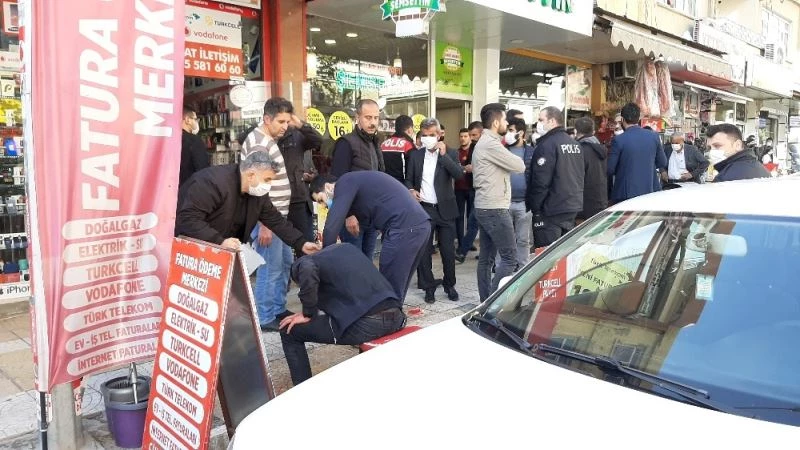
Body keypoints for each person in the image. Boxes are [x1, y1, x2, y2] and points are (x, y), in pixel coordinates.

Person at [279, 243, 405, 386]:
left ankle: (302, 390)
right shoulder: (345, 248)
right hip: (396, 317)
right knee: (355, 315)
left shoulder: (305, 262)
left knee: (288, 330)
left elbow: (307, 269)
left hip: (367, 324)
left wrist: (307, 313)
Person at [242, 98, 315, 332]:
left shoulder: (268, 140)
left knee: (283, 264)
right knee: (270, 268)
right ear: (267, 119)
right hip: (268, 222)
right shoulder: (259, 144)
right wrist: (264, 224)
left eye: (287, 121)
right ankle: (265, 316)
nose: (285, 126)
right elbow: (256, 188)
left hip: (278, 220)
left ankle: (277, 308)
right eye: (281, 122)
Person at [311, 171, 430, 301]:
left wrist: (325, 256)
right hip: (419, 226)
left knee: (388, 290)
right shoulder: (357, 182)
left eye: (321, 200)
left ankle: (390, 312)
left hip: (404, 229)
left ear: (328, 187)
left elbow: (333, 223)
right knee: (395, 289)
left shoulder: (344, 182)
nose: (323, 206)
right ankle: (394, 311)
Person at [175, 150, 319, 256]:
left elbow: (275, 220)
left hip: (222, 253)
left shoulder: (257, 194)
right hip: (192, 251)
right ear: (250, 175)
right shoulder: (212, 183)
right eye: (267, 179)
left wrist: (301, 243)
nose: (268, 185)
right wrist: (219, 241)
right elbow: (189, 218)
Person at [406, 118, 464, 303]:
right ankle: (428, 287)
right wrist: (411, 190)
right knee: (424, 251)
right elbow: (408, 179)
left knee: (448, 251)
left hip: (446, 209)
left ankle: (449, 285)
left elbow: (459, 174)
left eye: (432, 135)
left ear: (439, 135)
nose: (428, 138)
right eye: (424, 135)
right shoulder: (415, 155)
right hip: (425, 209)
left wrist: (444, 155)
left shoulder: (451, 153)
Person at [472, 103, 525, 301]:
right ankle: (492, 302)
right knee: (510, 258)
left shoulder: (487, 142)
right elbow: (519, 165)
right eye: (504, 120)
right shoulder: (491, 144)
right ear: (495, 123)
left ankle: (484, 301)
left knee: (486, 259)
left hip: (485, 206)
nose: (506, 124)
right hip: (494, 208)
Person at [330, 99, 384, 259]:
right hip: (353, 218)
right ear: (357, 117)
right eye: (368, 117)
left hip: (371, 217)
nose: (372, 122)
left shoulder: (375, 143)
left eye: (376, 118)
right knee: (354, 264)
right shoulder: (346, 143)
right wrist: (348, 215)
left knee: (367, 263)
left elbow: (380, 179)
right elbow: (338, 182)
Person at [526, 106, 584, 248]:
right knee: (564, 252)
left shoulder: (547, 145)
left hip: (551, 209)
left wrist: (535, 206)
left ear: (552, 121)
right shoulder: (575, 144)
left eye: (541, 120)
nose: (538, 124)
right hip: (571, 205)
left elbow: (540, 181)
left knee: (547, 254)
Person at [607, 103, 667, 203]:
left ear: (622, 119)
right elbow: (662, 162)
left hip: (626, 193)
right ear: (639, 118)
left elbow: (610, 169)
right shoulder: (654, 136)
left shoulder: (619, 140)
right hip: (650, 189)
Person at [503, 117, 534, 269]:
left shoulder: (531, 152)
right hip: (505, 202)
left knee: (523, 239)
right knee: (505, 240)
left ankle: (523, 268)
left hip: (524, 203)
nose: (507, 134)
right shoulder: (503, 151)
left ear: (521, 133)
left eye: (511, 131)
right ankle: (505, 268)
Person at [455, 121, 483, 262]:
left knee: (475, 221)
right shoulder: (472, 147)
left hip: (484, 190)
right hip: (471, 187)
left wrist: (475, 168)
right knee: (472, 221)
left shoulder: (487, 147)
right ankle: (463, 250)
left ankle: (463, 251)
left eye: (473, 135)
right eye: (469, 135)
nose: (471, 138)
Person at [574, 117, 608, 223]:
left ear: (576, 131)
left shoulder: (579, 150)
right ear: (592, 131)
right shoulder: (600, 148)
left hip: (583, 204)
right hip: (600, 200)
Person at [179, 106, 209, 189]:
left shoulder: (171, 140)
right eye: (195, 119)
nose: (196, 122)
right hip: (190, 188)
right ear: (187, 120)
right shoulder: (194, 141)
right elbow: (202, 168)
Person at [380, 115, 416, 184]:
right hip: (401, 185)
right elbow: (413, 169)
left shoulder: (383, 144)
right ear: (410, 129)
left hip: (384, 183)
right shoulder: (408, 145)